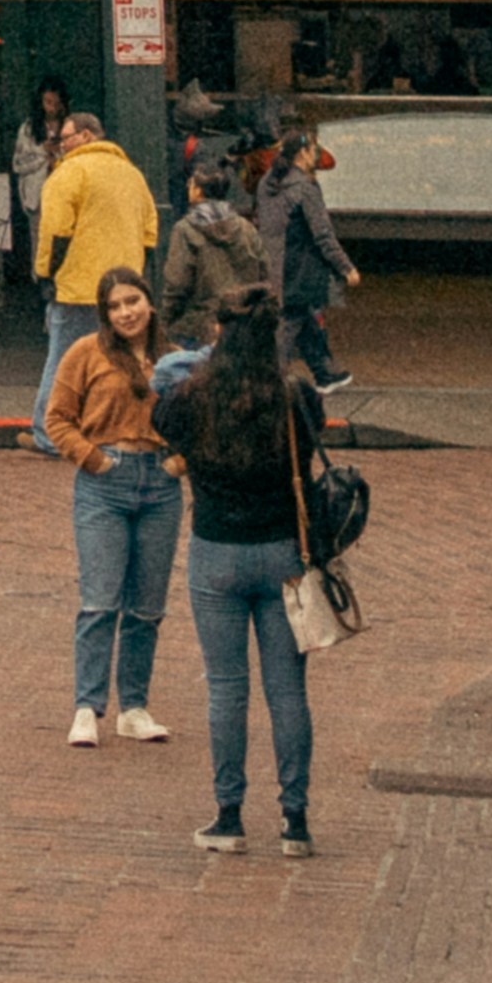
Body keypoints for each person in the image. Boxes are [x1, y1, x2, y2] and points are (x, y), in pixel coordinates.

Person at [166, 310, 328, 855]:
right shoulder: (294, 395)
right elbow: (312, 439)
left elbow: (160, 416)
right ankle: (295, 820)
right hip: (283, 550)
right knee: (287, 689)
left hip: (215, 551)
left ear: (220, 338)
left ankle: (229, 814)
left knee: (226, 686)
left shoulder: (194, 397)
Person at [49, 266, 175, 752]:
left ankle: (135, 708)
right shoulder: (86, 353)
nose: (125, 313)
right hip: (104, 485)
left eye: (133, 301)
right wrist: (95, 460)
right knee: (100, 600)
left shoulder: (174, 358)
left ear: (150, 303)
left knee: (147, 606)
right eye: (115, 306)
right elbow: (57, 419)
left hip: (161, 484)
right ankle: (87, 708)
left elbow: (198, 417)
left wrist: (179, 463)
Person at [29, 105, 156, 449]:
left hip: (79, 286)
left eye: (64, 137)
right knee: (122, 360)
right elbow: (150, 234)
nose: (59, 144)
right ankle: (120, 429)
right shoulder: (133, 174)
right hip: (125, 287)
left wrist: (45, 273)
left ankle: (49, 434)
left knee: (63, 360)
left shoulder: (68, 174)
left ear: (85, 136)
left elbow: (55, 231)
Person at [257, 117, 361, 395]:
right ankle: (270, 382)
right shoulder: (305, 188)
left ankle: (326, 374)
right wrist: (346, 268)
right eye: (314, 148)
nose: (317, 153)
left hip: (274, 266)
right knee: (290, 325)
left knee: (303, 323)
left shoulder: (269, 182)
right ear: (303, 153)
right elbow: (323, 235)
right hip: (300, 269)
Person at [146, 134, 276, 358]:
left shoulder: (186, 229)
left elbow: (176, 283)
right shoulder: (246, 228)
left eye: (191, 184)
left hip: (197, 329)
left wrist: (165, 323)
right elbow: (265, 273)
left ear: (197, 191)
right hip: (241, 325)